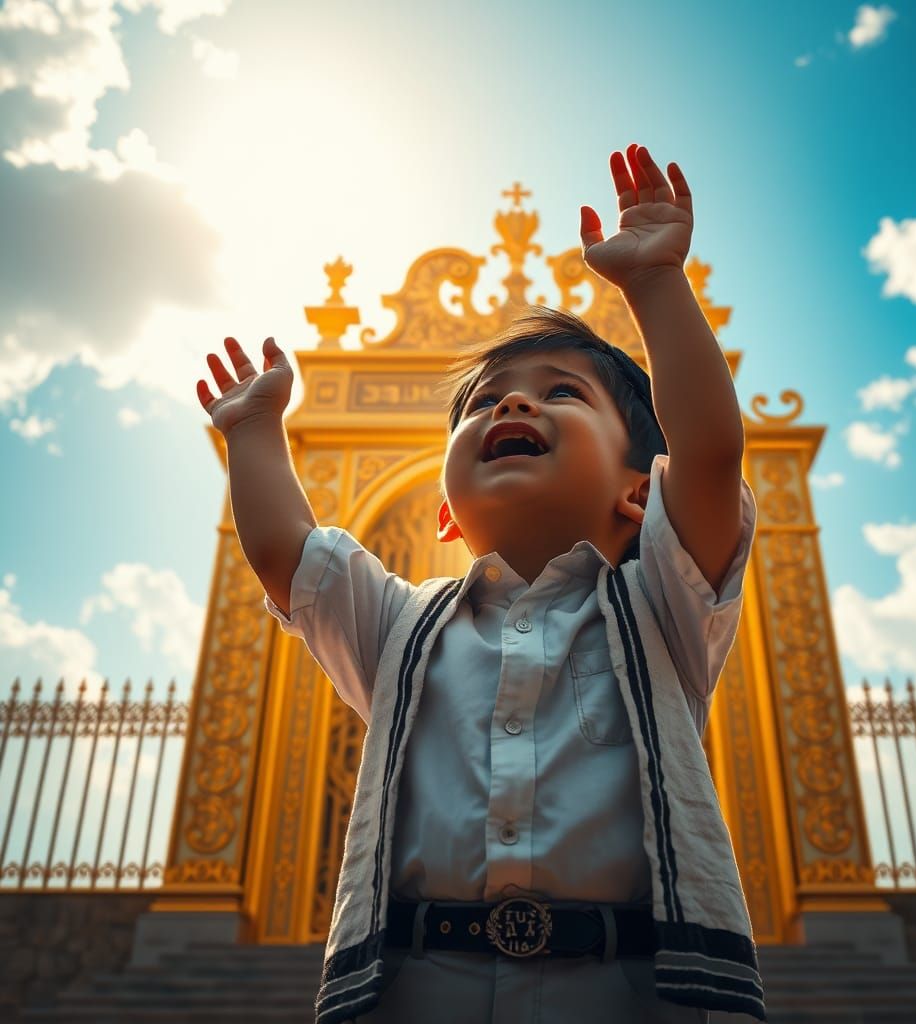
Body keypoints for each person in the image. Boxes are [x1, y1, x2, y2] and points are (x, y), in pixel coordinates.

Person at [196, 143, 764, 1024]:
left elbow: (711, 452)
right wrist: (257, 431)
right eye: (482, 403)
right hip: (421, 985)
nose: (511, 405)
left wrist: (656, 286)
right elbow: (286, 554)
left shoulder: (665, 606)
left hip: (626, 990)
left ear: (640, 490)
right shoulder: (400, 627)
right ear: (448, 517)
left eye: (562, 394)